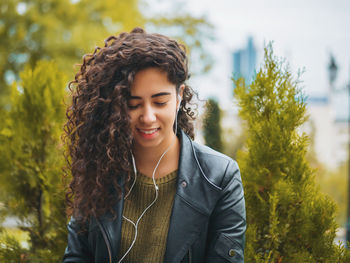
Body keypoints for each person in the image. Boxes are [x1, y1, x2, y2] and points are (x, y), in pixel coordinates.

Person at [62, 27, 246, 263]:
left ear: (179, 96)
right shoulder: (99, 168)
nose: (148, 117)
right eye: (133, 104)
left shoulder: (220, 178)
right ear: (116, 106)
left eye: (160, 102)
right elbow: (77, 257)